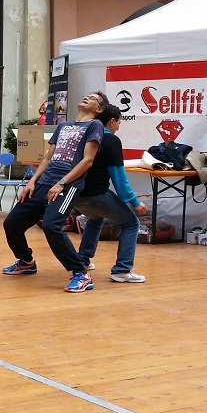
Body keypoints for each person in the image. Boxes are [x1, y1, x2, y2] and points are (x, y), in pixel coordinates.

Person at [2, 92, 109, 292]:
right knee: (12, 224)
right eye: (86, 95)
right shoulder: (63, 126)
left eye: (93, 98)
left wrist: (62, 182)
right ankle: (26, 261)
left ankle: (81, 273)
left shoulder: (95, 126)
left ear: (99, 109)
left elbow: (87, 161)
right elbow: (47, 159)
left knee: (51, 226)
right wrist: (31, 181)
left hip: (68, 185)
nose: (86, 97)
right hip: (43, 183)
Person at [75, 104, 148, 283]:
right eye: (119, 123)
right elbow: (119, 177)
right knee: (131, 223)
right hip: (96, 194)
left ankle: (82, 260)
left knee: (95, 218)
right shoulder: (110, 140)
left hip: (76, 195)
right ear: (112, 121)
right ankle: (122, 270)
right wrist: (134, 202)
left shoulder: (82, 134)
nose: (119, 127)